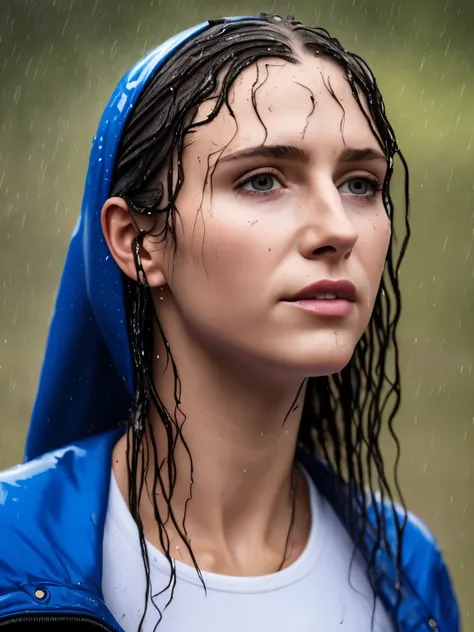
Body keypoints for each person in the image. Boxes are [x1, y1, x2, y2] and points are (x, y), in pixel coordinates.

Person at [0, 13, 459, 632]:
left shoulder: (408, 574)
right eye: (263, 179)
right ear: (139, 240)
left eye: (359, 183)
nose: (338, 229)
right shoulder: (13, 554)